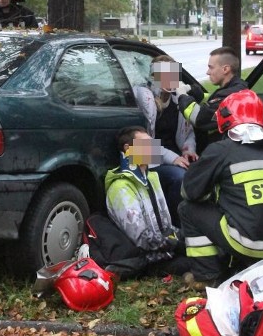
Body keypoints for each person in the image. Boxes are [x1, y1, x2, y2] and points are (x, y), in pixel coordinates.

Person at [178, 89, 263, 285]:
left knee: (188, 209)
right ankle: (258, 269)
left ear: (225, 118)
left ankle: (206, 276)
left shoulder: (222, 150)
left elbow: (189, 191)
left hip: (249, 243)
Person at [104, 126, 189, 275]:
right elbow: (142, 239)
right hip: (147, 260)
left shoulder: (151, 177)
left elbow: (166, 226)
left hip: (164, 250)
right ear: (128, 149)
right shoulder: (120, 187)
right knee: (201, 260)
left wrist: (185, 236)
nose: (154, 149)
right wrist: (178, 244)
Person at [133, 55, 198, 223]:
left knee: (204, 172)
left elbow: (188, 133)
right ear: (154, 77)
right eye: (164, 76)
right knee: (180, 178)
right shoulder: (144, 101)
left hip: (175, 158)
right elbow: (140, 147)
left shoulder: (178, 101)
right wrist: (173, 158)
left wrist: (188, 150)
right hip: (149, 160)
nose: (170, 80)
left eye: (173, 75)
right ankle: (175, 226)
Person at [177, 46, 248, 152]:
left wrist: (182, 96)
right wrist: (194, 91)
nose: (207, 72)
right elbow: (212, 101)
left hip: (222, 150)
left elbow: (199, 119)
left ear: (225, 69)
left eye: (211, 67)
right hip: (225, 148)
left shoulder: (229, 95)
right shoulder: (238, 88)